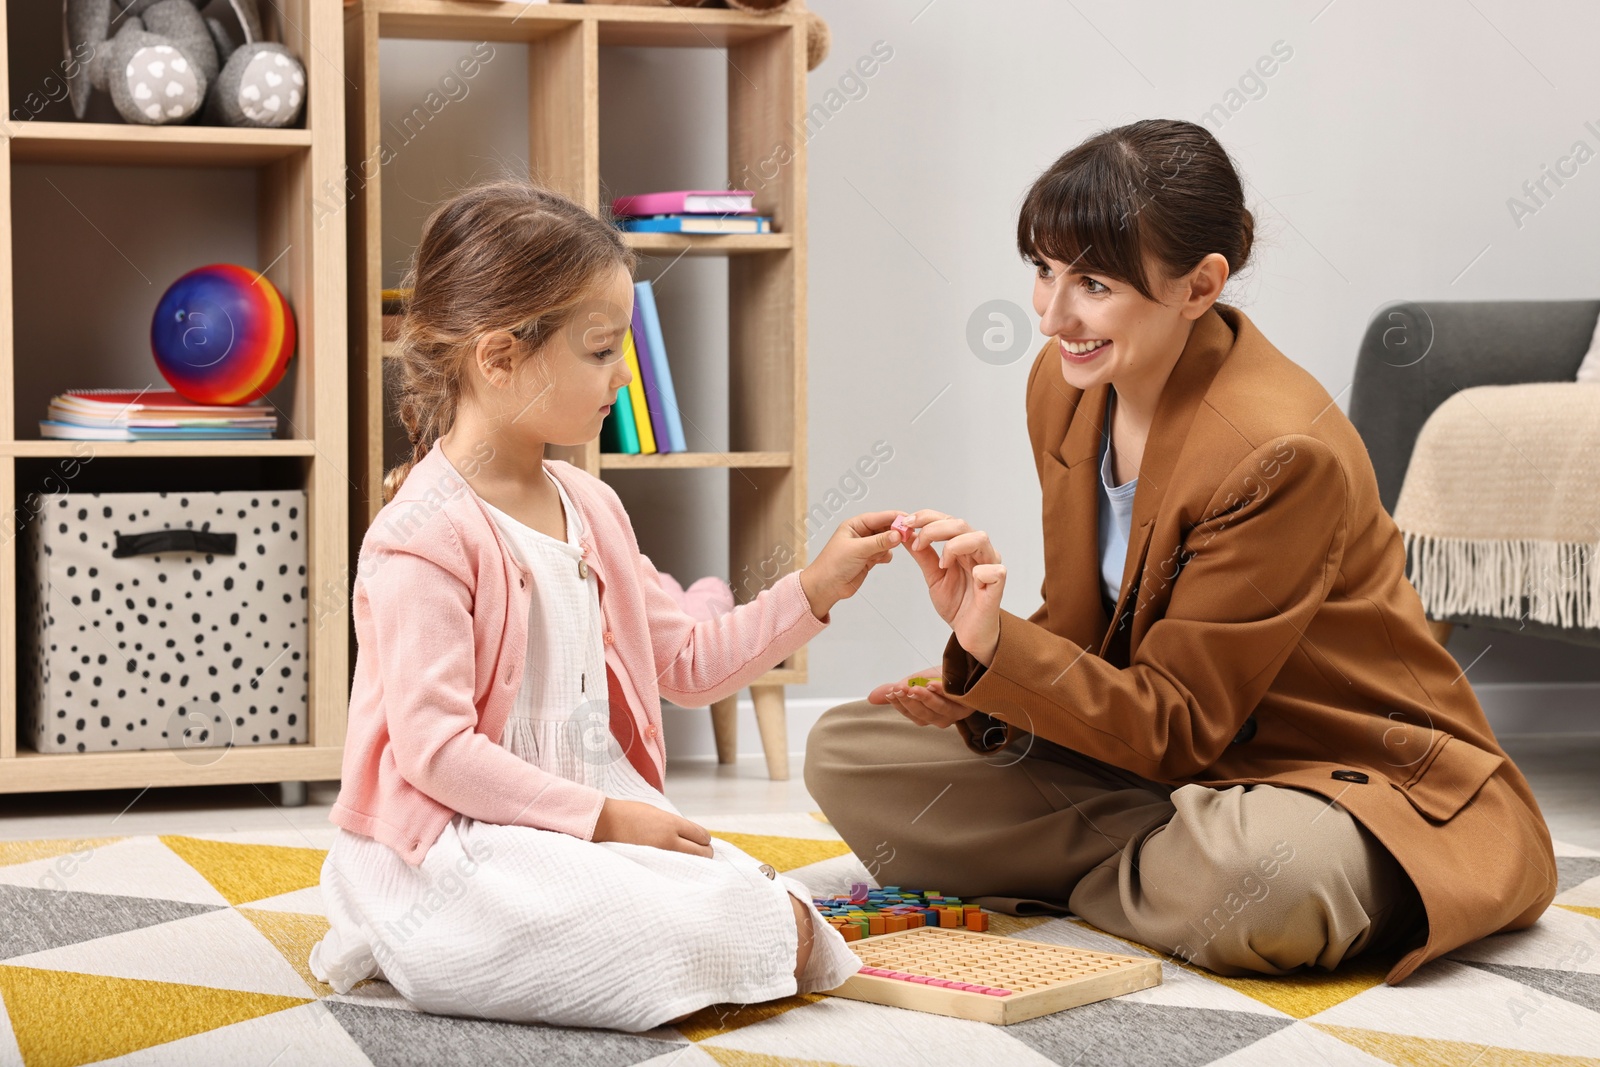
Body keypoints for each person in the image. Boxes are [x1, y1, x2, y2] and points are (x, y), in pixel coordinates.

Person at [804, 119, 1557, 986]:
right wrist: (976, 681)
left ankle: (1129, 870)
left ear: (1200, 286)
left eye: (1092, 282)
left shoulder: (1280, 451)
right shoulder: (1066, 384)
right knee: (849, 751)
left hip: (1333, 775)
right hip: (1169, 772)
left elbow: (1179, 718)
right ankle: (1154, 870)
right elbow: (1096, 625)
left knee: (1258, 881)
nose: (1052, 316)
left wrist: (1005, 653)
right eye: (1043, 272)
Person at [308, 180, 902, 1030]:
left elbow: (688, 665)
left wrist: (815, 588)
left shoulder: (594, 507)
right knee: (666, 924)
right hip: (456, 840)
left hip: (596, 816)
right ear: (499, 356)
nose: (621, 377)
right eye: (598, 351)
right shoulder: (421, 535)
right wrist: (605, 819)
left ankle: (727, 931)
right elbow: (438, 754)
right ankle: (423, 939)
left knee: (749, 900)